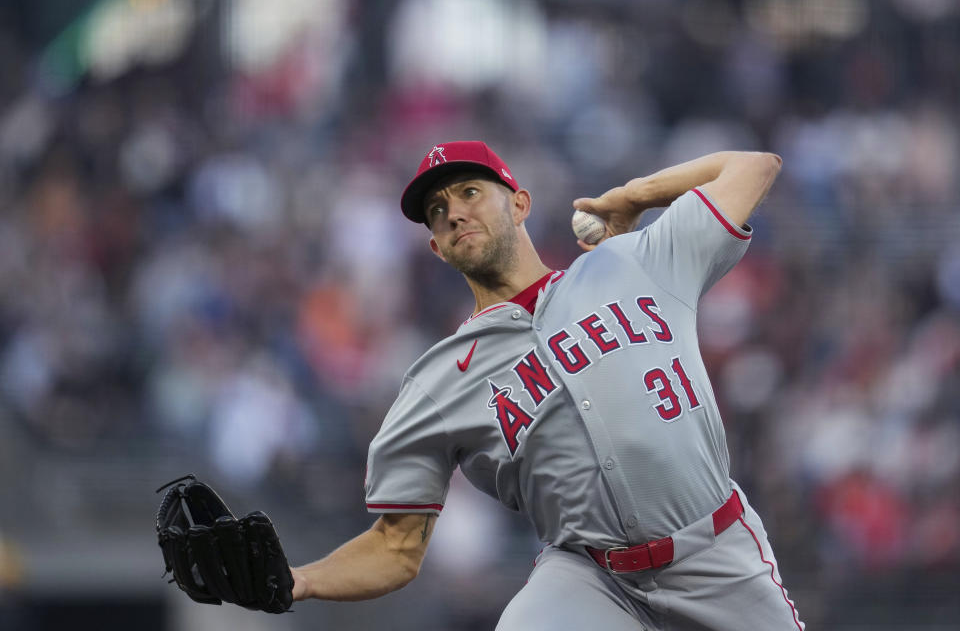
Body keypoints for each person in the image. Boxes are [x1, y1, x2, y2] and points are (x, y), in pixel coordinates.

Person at [289, 141, 804, 630]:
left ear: (519, 204)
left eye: (469, 192)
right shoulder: (438, 380)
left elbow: (753, 167)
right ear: (437, 247)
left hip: (717, 552)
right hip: (592, 578)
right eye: (437, 210)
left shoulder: (634, 262)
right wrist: (301, 581)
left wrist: (637, 194)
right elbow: (395, 550)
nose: (453, 212)